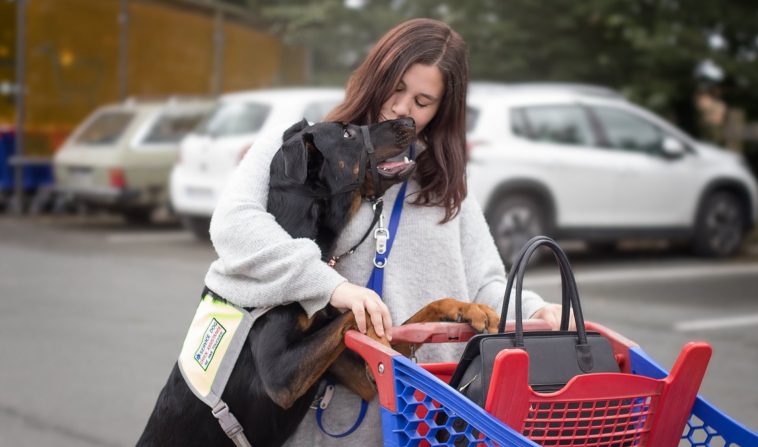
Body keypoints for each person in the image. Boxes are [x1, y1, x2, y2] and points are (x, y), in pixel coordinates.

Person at [205, 17, 568, 446]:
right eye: (396, 87)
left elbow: (485, 282)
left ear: (441, 110)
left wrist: (535, 310)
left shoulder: (446, 187)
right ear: (376, 73)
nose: (401, 108)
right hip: (317, 422)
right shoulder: (304, 149)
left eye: (422, 100)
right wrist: (330, 286)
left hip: (421, 421)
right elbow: (233, 223)